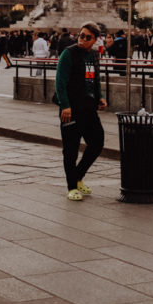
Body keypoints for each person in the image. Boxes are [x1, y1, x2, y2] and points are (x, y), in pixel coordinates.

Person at [54, 22, 107, 201]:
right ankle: (71, 187)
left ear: (95, 40)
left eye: (87, 37)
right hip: (71, 109)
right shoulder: (68, 54)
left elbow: (95, 79)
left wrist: (99, 96)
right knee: (71, 149)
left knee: (97, 141)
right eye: (81, 35)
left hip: (89, 108)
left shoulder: (93, 55)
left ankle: (77, 177)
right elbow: (60, 82)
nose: (82, 40)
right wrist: (65, 105)